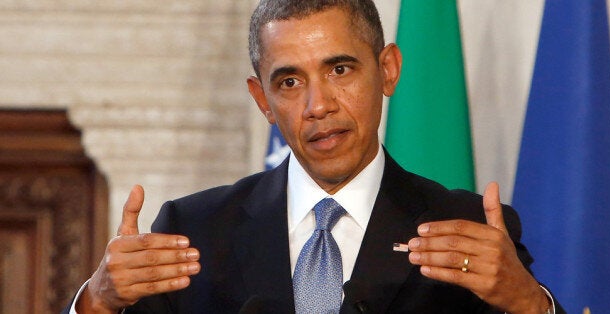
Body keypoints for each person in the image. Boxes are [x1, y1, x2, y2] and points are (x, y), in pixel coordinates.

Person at [66, 0, 565, 313]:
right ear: (262, 100)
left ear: (387, 70)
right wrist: (98, 302)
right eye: (289, 82)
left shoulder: (467, 227)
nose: (318, 105)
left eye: (341, 70)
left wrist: (527, 304)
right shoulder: (193, 231)